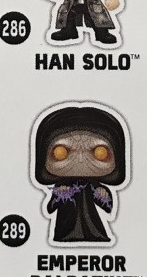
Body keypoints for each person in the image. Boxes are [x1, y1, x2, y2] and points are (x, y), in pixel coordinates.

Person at [31, 104, 128, 244]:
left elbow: (108, 207)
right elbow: (50, 208)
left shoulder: (94, 186)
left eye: (99, 152)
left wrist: (102, 196)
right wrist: (60, 195)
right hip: (65, 224)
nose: (81, 159)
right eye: (61, 152)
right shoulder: (62, 187)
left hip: (92, 224)